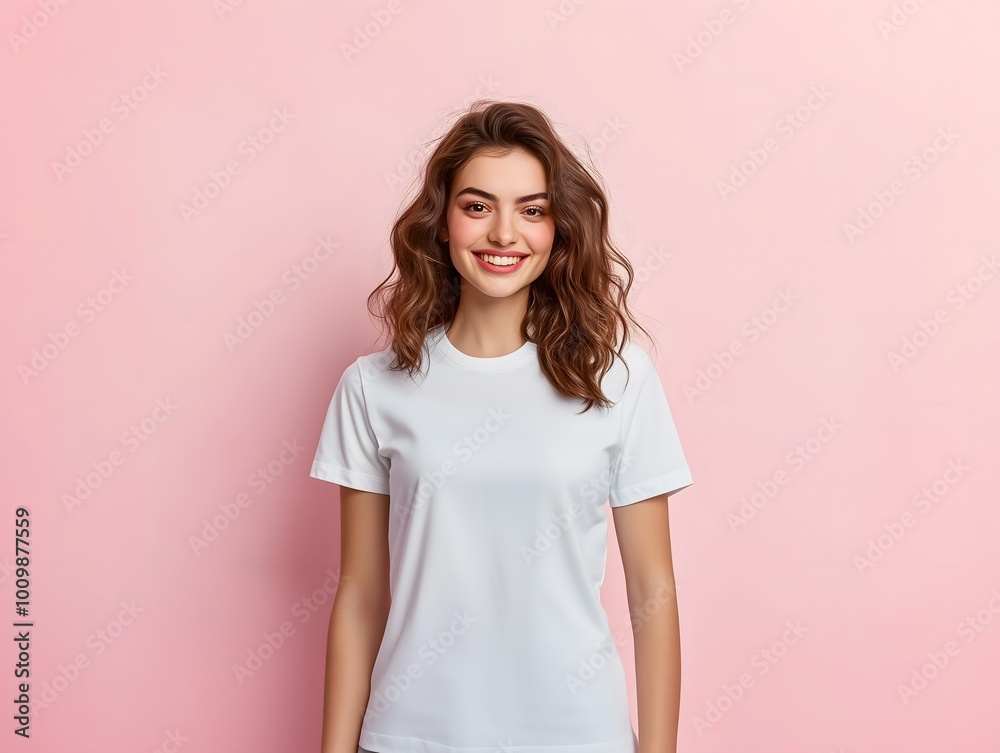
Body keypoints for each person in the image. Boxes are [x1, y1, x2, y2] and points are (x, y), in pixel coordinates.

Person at [310, 100, 694, 753]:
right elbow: (360, 594)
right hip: (410, 737)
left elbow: (652, 588)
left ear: (558, 229)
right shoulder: (373, 388)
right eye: (478, 206)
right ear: (442, 222)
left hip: (578, 738)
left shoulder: (617, 377)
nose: (504, 233)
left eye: (532, 210)